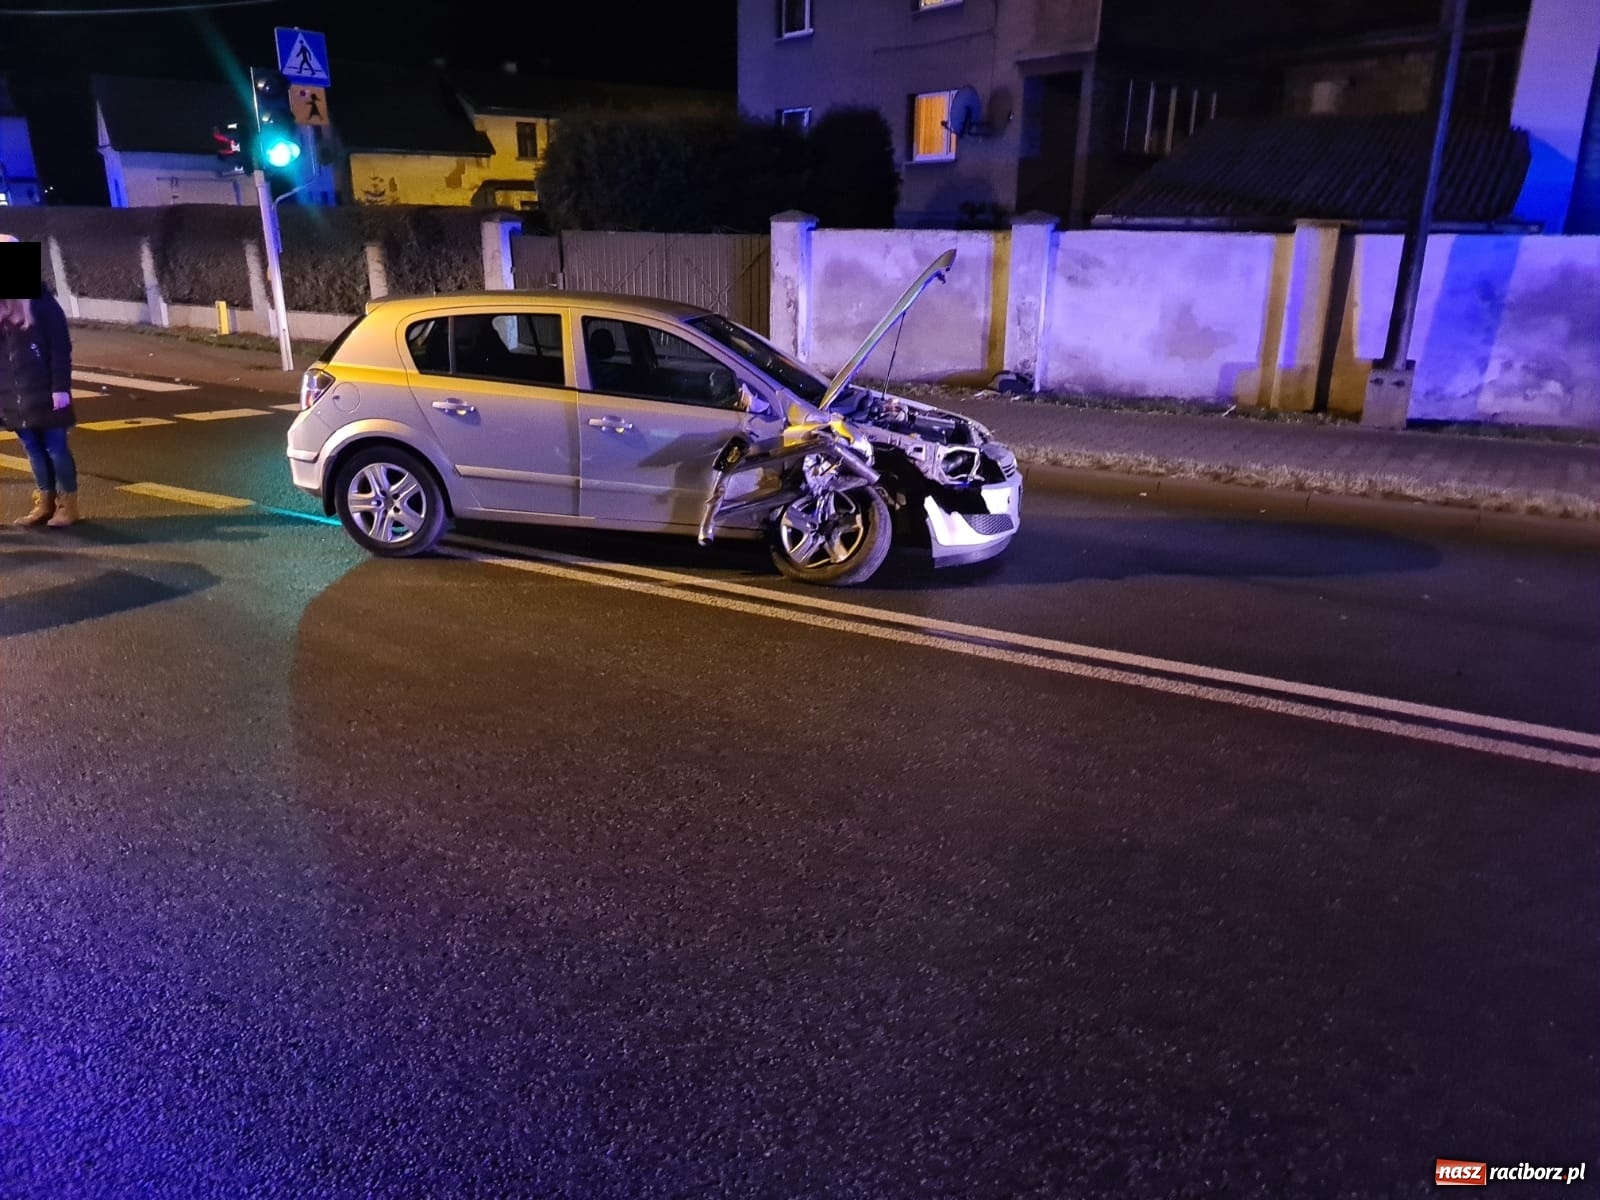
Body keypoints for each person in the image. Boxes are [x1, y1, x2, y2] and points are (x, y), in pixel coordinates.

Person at [0, 251, 80, 528]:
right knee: (33, 449)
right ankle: (44, 503)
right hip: (13, 394)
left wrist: (60, 388)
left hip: (45, 389)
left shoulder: (42, 303)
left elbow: (60, 347)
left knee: (56, 448)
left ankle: (67, 506)